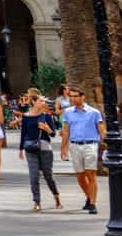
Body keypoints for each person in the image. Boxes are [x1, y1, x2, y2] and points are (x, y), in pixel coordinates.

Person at [58, 86, 105, 214]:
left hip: (90, 145)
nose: (72, 99)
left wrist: (107, 145)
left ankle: (92, 203)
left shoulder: (94, 112)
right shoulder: (68, 112)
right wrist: (63, 148)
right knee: (79, 175)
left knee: (91, 174)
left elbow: (101, 129)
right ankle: (89, 197)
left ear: (82, 97)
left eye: (75, 96)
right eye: (71, 96)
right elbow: (66, 131)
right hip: (74, 145)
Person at [16, 94, 61, 211]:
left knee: (48, 176)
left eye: (44, 101)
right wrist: (20, 149)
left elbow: (53, 134)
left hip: (45, 149)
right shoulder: (26, 117)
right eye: (41, 101)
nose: (43, 103)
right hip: (30, 148)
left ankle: (56, 196)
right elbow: (23, 133)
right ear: (34, 102)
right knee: (33, 176)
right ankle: (37, 202)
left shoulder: (46, 117)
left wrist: (47, 129)